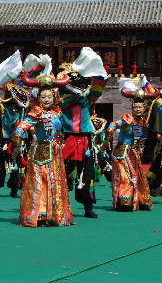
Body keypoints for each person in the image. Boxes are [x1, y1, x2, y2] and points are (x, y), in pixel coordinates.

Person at [12, 72, 74, 227]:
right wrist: (18, 137)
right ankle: (39, 214)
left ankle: (55, 214)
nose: (46, 99)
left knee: (55, 182)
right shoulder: (36, 113)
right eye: (43, 96)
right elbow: (23, 126)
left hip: (56, 153)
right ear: (38, 98)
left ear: (54, 97)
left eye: (49, 96)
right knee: (40, 180)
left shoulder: (57, 112)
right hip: (41, 151)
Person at [57, 47, 108, 218]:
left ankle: (88, 206)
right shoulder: (60, 100)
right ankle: (58, 205)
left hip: (85, 140)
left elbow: (101, 82)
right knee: (62, 173)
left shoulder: (88, 96)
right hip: (66, 138)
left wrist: (95, 65)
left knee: (86, 175)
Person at [106, 77, 158, 211]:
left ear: (144, 107)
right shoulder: (127, 119)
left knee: (137, 177)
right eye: (135, 107)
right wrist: (110, 130)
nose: (137, 109)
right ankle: (125, 201)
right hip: (122, 153)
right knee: (125, 177)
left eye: (140, 107)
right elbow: (114, 123)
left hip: (134, 154)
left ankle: (140, 200)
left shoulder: (143, 122)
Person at [0, 82, 29, 197]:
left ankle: (14, 190)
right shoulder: (2, 107)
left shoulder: (24, 109)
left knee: (18, 166)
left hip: (19, 141)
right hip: (5, 141)